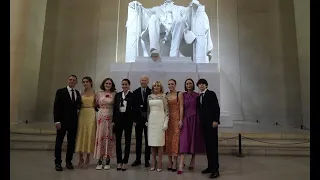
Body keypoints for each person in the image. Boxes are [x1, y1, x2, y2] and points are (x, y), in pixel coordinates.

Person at [53, 75, 82, 171]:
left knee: (71, 143)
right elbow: (56, 107)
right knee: (59, 142)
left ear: (76, 82)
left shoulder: (77, 93)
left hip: (73, 122)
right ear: (68, 81)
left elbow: (77, 106)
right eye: (70, 79)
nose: (72, 81)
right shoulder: (61, 91)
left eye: (74, 80)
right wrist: (57, 121)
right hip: (62, 122)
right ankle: (58, 162)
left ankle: (68, 161)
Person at [178, 78, 205, 174]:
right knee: (184, 140)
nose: (188, 85)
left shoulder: (197, 95)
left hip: (195, 119)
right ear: (185, 85)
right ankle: (181, 164)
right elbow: (181, 107)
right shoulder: (182, 95)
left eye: (190, 83)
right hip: (186, 119)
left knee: (194, 139)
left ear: (193, 85)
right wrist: (180, 120)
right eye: (187, 83)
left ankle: (193, 160)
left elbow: (200, 108)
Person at [196, 78, 220, 179]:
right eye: (199, 84)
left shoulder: (211, 94)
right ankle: (210, 167)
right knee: (208, 147)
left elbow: (216, 107)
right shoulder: (199, 96)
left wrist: (216, 120)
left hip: (212, 124)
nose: (201, 86)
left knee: (213, 147)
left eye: (203, 84)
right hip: (204, 125)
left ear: (206, 85)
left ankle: (215, 170)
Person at [113, 79, 137, 171]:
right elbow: (115, 109)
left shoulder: (132, 95)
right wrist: (114, 120)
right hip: (118, 120)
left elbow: (135, 109)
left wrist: (134, 120)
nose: (124, 86)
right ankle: (119, 161)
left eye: (126, 84)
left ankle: (125, 161)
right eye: (123, 84)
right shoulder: (118, 95)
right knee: (118, 141)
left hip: (128, 121)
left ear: (129, 85)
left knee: (127, 141)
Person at [94, 78, 116, 170]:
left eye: (109, 83)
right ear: (103, 84)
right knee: (100, 137)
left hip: (110, 118)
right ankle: (99, 160)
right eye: (106, 83)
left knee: (109, 138)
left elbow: (116, 107)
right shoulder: (98, 93)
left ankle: (107, 160)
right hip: (101, 118)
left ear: (112, 85)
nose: (108, 84)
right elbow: (95, 105)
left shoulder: (115, 94)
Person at [75, 77, 97, 169]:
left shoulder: (95, 93)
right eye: (83, 82)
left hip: (91, 114)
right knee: (80, 134)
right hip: (82, 114)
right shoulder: (80, 92)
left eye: (87, 82)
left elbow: (96, 105)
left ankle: (88, 156)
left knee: (90, 134)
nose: (85, 83)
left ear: (90, 83)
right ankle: (80, 157)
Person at [147, 81, 169, 172]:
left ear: (160, 87)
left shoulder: (164, 96)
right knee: (152, 143)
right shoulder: (149, 96)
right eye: (154, 86)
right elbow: (148, 110)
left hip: (160, 120)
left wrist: (165, 123)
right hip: (152, 121)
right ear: (152, 87)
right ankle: (153, 162)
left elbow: (167, 110)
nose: (156, 87)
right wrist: (148, 120)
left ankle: (160, 162)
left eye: (158, 86)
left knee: (160, 143)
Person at [131, 75, 151, 167]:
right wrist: (134, 120)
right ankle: (138, 159)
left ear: (148, 81)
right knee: (138, 140)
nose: (143, 82)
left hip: (149, 120)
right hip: (138, 120)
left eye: (145, 80)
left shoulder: (152, 92)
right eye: (142, 80)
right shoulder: (135, 92)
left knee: (148, 140)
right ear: (140, 81)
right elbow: (133, 107)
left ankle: (147, 159)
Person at [164, 79, 183, 172]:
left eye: (172, 84)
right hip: (168, 119)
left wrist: (180, 120)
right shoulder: (166, 94)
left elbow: (181, 107)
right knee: (168, 140)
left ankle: (175, 162)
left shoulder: (179, 94)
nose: (170, 85)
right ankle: (169, 161)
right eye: (169, 84)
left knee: (175, 140)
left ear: (175, 84)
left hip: (176, 119)